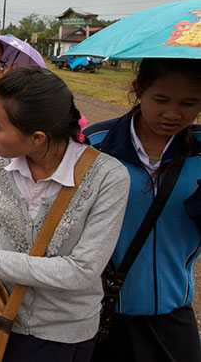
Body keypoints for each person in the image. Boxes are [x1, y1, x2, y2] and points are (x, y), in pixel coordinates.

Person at [0, 66, 130, 361]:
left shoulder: (107, 178)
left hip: (62, 334)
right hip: (0, 318)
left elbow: (81, 272)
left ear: (38, 138)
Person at [86, 58, 201, 362]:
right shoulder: (95, 146)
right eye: (161, 100)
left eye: (190, 103)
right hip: (95, 312)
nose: (173, 113)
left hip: (170, 314)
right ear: (137, 90)